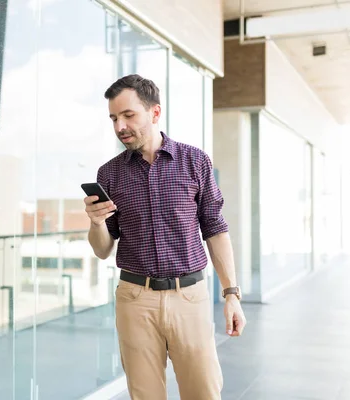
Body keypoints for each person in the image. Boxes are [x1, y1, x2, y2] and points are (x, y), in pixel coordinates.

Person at [83, 74, 246, 400]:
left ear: (155, 113)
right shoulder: (109, 173)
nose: (120, 127)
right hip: (134, 300)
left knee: (203, 392)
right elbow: (103, 250)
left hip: (189, 297)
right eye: (114, 118)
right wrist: (96, 223)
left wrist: (231, 294)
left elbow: (214, 227)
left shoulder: (194, 161)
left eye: (128, 115)